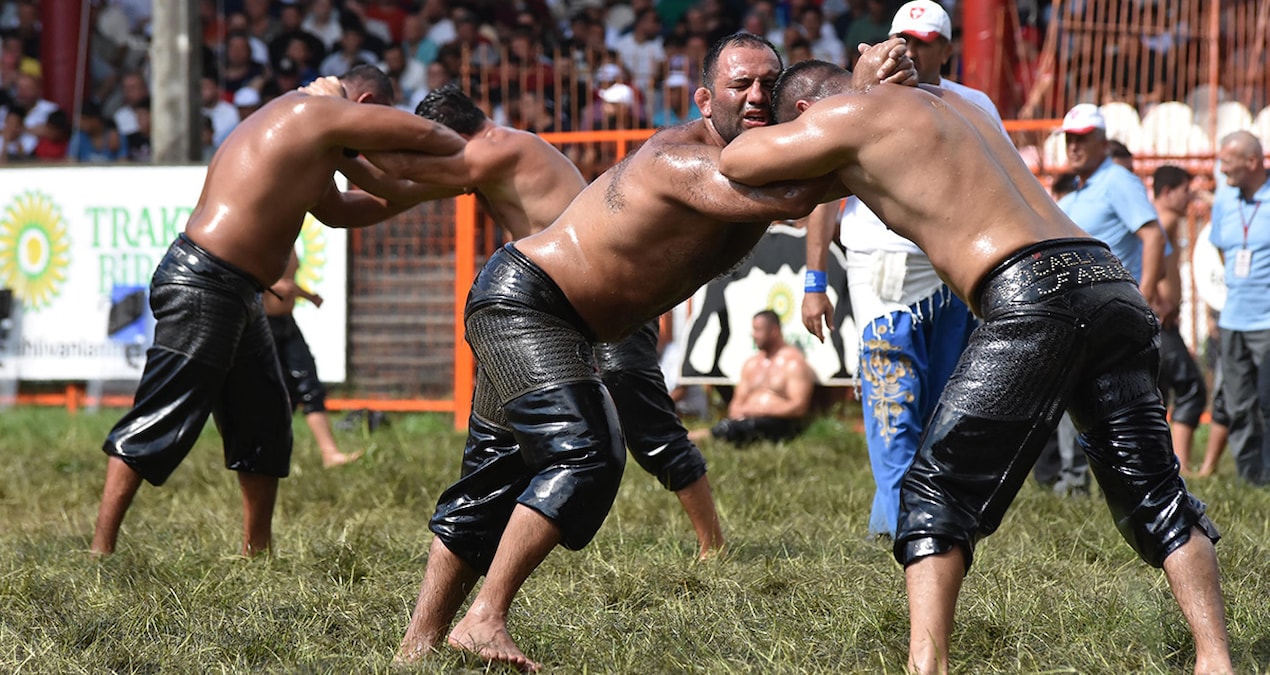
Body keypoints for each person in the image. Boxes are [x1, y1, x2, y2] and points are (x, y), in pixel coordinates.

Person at [391, 34, 916, 672]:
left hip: (572, 321)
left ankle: (416, 647)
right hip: (527, 302)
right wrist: (865, 97)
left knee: (494, 473)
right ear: (703, 98)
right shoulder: (681, 159)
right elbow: (796, 198)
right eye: (738, 84)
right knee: (586, 452)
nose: (755, 97)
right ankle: (484, 618)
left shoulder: (760, 152)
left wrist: (869, 100)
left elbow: (815, 166)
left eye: (767, 85)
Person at [717, 59, 1232, 675]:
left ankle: (925, 666)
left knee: (934, 493)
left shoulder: (849, 112)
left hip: (1030, 291)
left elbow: (738, 163)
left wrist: (846, 94)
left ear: (806, 114)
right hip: (1107, 280)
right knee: (1156, 492)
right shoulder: (954, 105)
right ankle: (1215, 659)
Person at [89, 65, 466, 557]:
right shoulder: (313, 111)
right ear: (368, 102)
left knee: (265, 423)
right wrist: (473, 153)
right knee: (164, 415)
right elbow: (418, 133)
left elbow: (340, 209)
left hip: (240, 292)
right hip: (205, 281)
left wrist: (432, 189)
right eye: (376, 119)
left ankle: (257, 553)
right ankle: (101, 550)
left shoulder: (316, 132)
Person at [338, 82, 727, 560]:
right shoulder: (481, 164)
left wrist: (334, 129)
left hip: (604, 298)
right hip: (549, 309)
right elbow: (392, 189)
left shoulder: (505, 146)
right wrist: (331, 155)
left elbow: (401, 169)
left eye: (432, 140)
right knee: (500, 437)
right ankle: (483, 537)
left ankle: (714, 544)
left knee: (648, 427)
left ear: (448, 132)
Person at [802, 0, 998, 539]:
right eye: (901, 39)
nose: (910, 50)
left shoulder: (973, 105)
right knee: (893, 404)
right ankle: (908, 530)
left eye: (924, 41)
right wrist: (815, 281)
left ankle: (908, 519)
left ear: (946, 48)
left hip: (951, 273)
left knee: (943, 412)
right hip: (877, 273)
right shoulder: (858, 106)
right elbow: (822, 199)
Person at [1039, 102, 1167, 496]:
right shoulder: (1080, 190)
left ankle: (1125, 485)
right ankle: (1079, 483)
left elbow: (1153, 234)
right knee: (1080, 399)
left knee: (1118, 403)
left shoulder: (1116, 182)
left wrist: (1140, 295)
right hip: (1078, 314)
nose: (1074, 148)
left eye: (1083, 140)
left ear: (1102, 142)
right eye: (1069, 140)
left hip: (1109, 312)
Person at [1208, 130, 1270, 486]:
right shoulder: (1224, 201)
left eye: (1227, 160)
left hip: (1267, 321)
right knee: (1239, 402)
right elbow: (1223, 249)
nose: (1222, 168)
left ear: (1252, 161)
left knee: (1269, 400)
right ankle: (1251, 476)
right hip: (1234, 319)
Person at [266, 248, 361, 468]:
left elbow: (287, 283)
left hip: (287, 324)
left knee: (310, 386)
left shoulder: (288, 239)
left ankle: (330, 454)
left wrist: (307, 296)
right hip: (262, 325)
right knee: (271, 396)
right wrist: (275, 287)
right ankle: (266, 456)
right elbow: (246, 279)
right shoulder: (257, 233)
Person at [1151, 165, 1208, 475]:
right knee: (1191, 388)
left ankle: (1162, 463)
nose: (1190, 198)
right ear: (1168, 191)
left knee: (1160, 392)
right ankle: (1181, 464)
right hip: (1162, 320)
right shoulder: (1165, 220)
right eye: (1186, 190)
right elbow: (1154, 265)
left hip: (1163, 317)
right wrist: (1161, 301)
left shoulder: (1159, 220)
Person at [698, 309, 815, 446]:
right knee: (731, 427)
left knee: (729, 429)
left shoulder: (793, 363)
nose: (754, 335)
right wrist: (738, 411)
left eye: (758, 330)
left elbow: (799, 407)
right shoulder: (752, 364)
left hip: (777, 424)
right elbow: (736, 402)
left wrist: (758, 410)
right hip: (745, 422)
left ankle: (693, 439)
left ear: (774, 331)